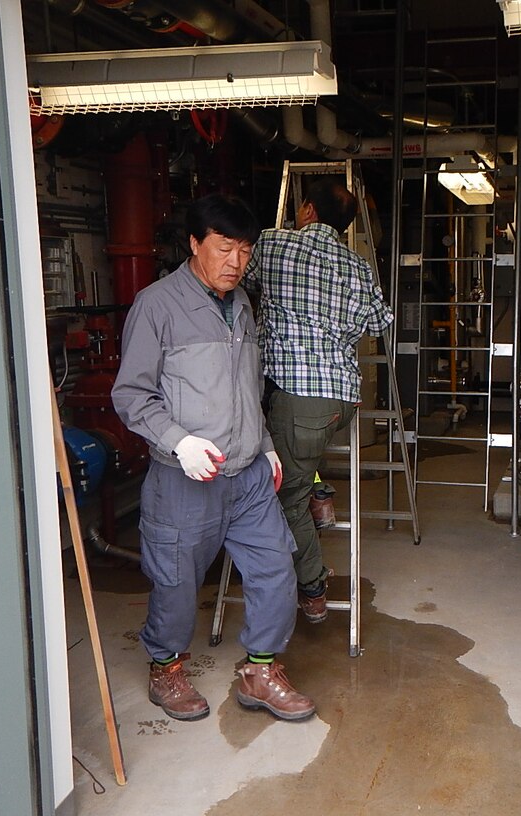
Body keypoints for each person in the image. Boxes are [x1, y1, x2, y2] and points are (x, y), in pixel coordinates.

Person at [111, 193, 315, 723]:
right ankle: (167, 670)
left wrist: (266, 446)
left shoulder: (242, 303)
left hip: (247, 476)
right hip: (186, 478)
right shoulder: (156, 305)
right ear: (195, 243)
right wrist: (179, 440)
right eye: (224, 248)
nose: (235, 263)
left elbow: (247, 387)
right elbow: (131, 394)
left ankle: (260, 672)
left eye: (245, 251)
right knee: (177, 581)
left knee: (275, 569)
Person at [242, 177, 393, 623]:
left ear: (306, 210)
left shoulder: (272, 244)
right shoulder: (359, 266)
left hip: (296, 396)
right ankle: (319, 490)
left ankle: (311, 587)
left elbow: (231, 278)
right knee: (296, 453)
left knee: (283, 497)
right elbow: (380, 322)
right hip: (341, 398)